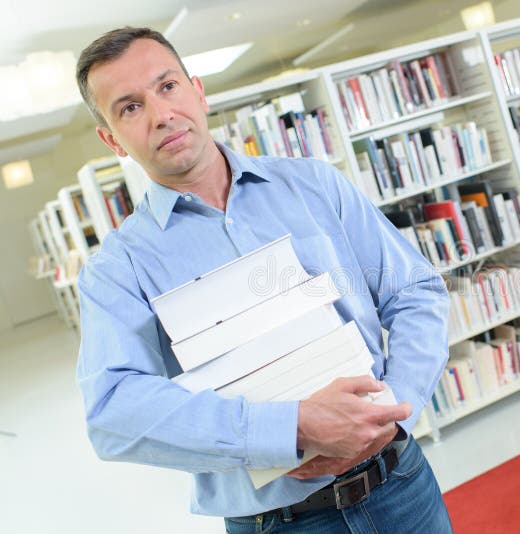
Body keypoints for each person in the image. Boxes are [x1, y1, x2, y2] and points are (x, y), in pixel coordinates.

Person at [74, 27, 453, 533]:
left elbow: (414, 291)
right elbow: (113, 412)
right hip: (280, 523)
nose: (161, 114)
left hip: (400, 485)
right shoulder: (116, 269)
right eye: (129, 108)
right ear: (111, 140)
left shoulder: (315, 185)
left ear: (198, 91)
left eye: (167, 87)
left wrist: (393, 411)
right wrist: (290, 427)